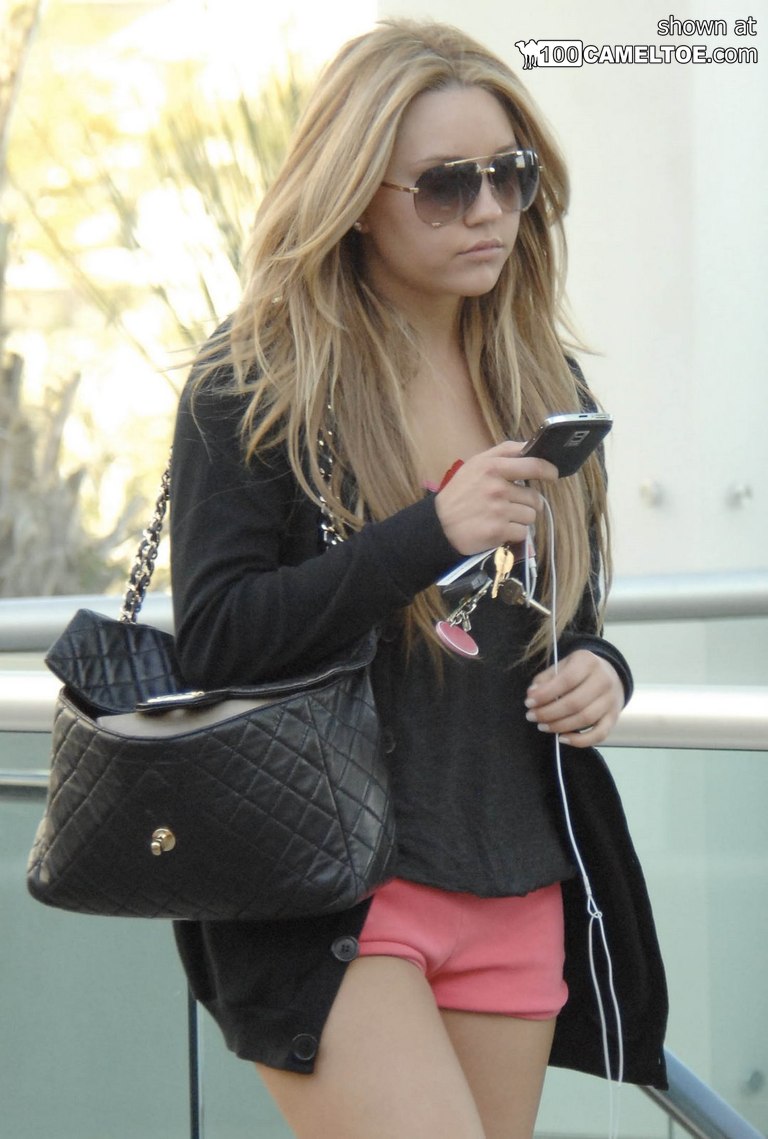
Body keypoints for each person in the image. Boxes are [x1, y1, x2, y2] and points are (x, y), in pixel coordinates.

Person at [169, 18, 667, 1139]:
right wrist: (428, 531)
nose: (488, 209)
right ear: (356, 195)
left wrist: (602, 668)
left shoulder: (540, 379)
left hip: (515, 867)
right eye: (446, 185)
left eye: (510, 175)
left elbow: (567, 615)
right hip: (332, 884)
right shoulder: (258, 381)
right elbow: (218, 637)